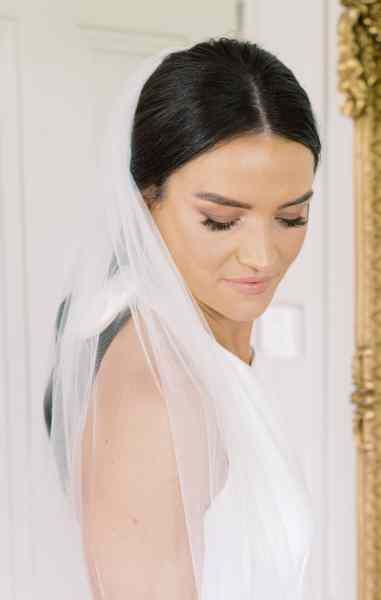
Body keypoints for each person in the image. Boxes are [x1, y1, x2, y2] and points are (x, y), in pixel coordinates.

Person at [41, 36, 322, 599]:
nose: (263, 257)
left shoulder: (195, 340)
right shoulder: (160, 402)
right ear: (146, 201)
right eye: (221, 221)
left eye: (292, 217)